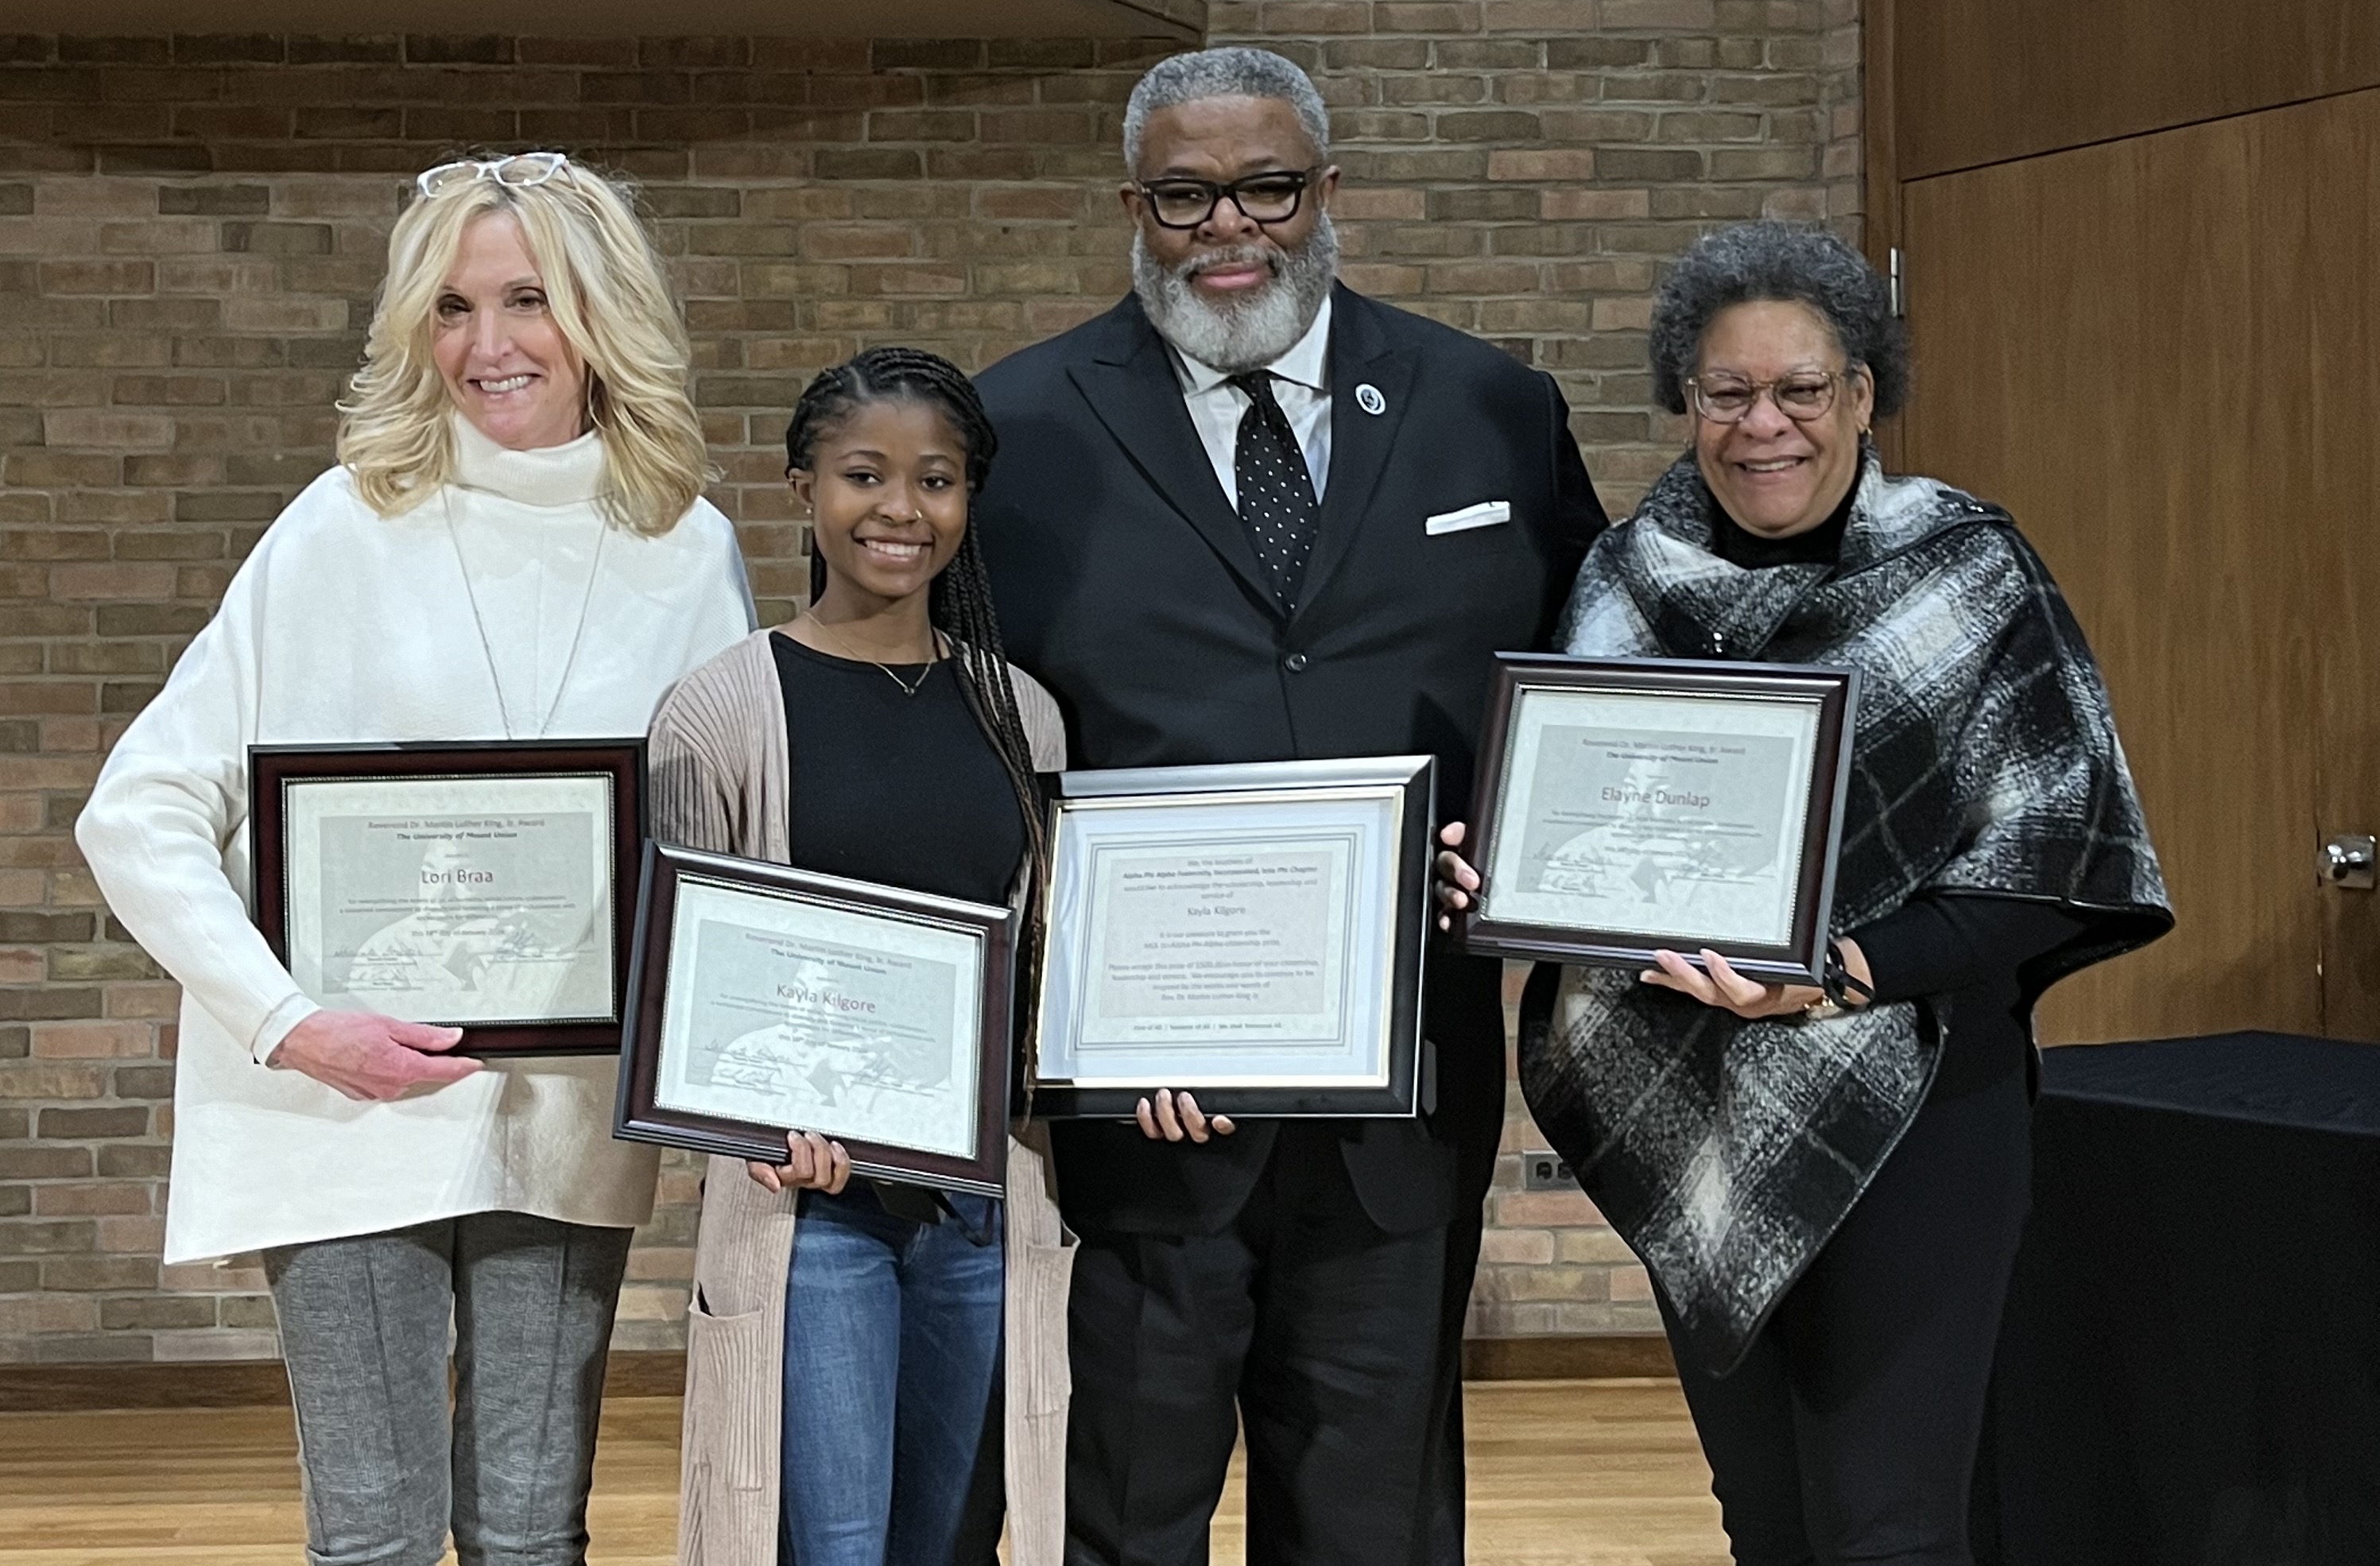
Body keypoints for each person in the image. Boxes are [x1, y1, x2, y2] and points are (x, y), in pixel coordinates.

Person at [1435, 221, 2173, 1565]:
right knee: (1764, 1519)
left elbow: (2058, 858)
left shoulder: (1965, 569)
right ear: (1684, 400)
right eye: (1726, 392)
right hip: (1681, 1111)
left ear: (1863, 395)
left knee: (1886, 1527)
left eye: (1801, 389)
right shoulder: (1614, 581)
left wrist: (1840, 969)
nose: (1761, 424)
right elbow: (1573, 820)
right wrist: (1498, 873)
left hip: (1915, 1108)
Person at [971, 47, 1607, 1566]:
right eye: (1184, 195)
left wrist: (1517, 856)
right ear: (1135, 206)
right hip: (1143, 1101)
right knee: (1130, 1515)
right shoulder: (1010, 433)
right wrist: (1052, 1018)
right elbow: (952, 742)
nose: (1227, 227)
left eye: (1264, 186)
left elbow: (1591, 677)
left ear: (1325, 192)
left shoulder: (1488, 408)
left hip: (1406, 1086)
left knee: (1377, 1519)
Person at [73, 153, 754, 1566]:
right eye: (449, 306)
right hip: (343, 1111)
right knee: (375, 1534)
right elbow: (133, 808)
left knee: (527, 1530)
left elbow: (722, 841)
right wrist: (290, 1021)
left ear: (601, 315)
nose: (486, 346)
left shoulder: (687, 547)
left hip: (563, 1108)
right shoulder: (340, 525)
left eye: (526, 301)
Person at [649, 347, 1073, 1566]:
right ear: (801, 487)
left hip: (983, 1200)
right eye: (863, 474)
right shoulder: (720, 711)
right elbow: (684, 982)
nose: (900, 508)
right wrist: (756, 1119)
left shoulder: (1022, 711)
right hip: (811, 1206)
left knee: (953, 1534)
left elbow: (1042, 958)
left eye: (935, 479)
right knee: (829, 1539)